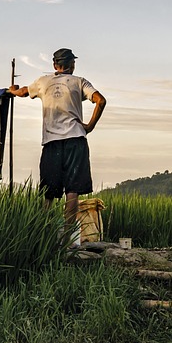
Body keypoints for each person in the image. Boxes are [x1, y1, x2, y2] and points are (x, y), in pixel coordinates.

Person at [8, 48, 106, 239]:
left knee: (48, 193)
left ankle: (42, 237)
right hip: (75, 141)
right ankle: (67, 240)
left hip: (51, 142)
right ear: (72, 65)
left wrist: (12, 90)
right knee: (72, 192)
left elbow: (22, 92)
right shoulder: (79, 81)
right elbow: (100, 101)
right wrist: (90, 126)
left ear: (55, 66)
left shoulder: (43, 82)